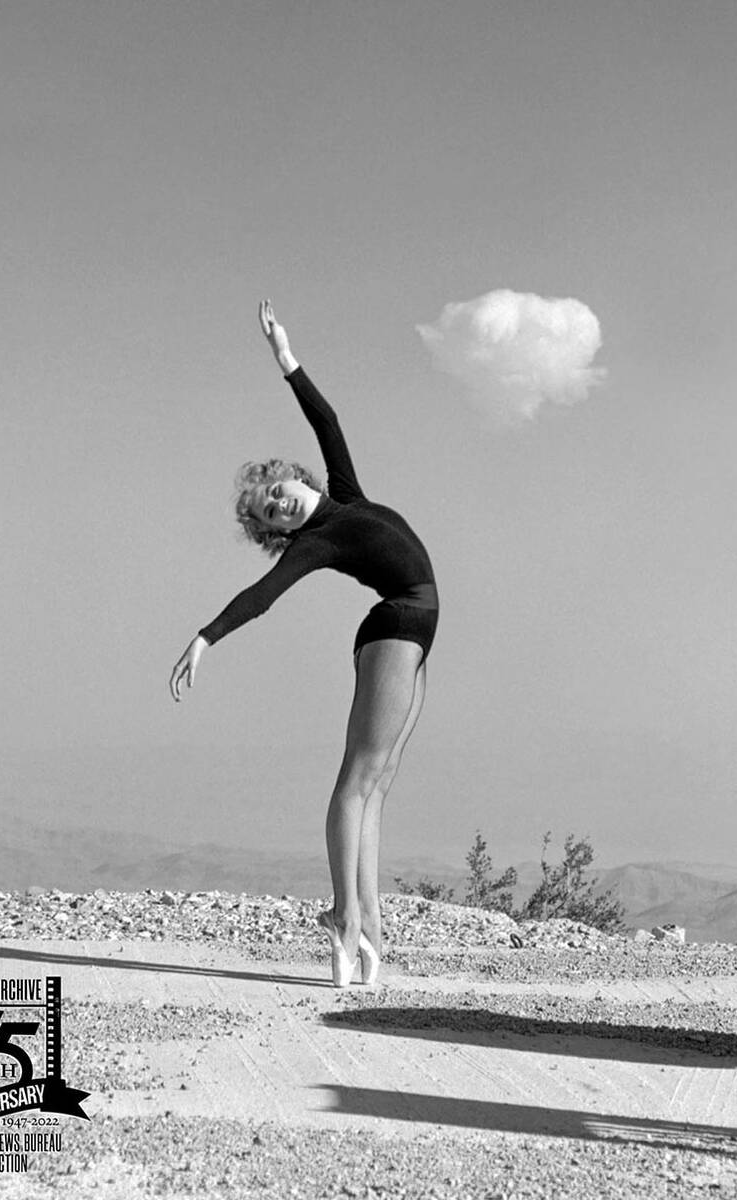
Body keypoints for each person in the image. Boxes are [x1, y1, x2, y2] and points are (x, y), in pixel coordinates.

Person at [170, 300, 438, 987]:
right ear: (277, 532)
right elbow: (261, 598)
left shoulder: (344, 495)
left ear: (297, 477)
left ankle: (367, 923)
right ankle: (344, 919)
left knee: (377, 784)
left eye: (276, 490)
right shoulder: (315, 543)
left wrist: (284, 357)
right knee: (356, 780)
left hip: (414, 627)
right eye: (268, 512)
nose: (278, 503)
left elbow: (327, 421)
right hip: (393, 627)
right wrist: (206, 637)